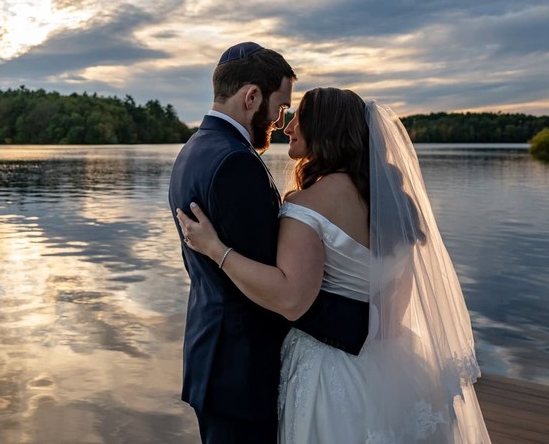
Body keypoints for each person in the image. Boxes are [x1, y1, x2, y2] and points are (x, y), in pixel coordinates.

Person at [177, 87, 491, 443]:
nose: (288, 126)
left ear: (324, 130)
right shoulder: (398, 206)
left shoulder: (306, 205)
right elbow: (395, 308)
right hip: (393, 363)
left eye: (299, 118)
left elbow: (292, 298)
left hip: (327, 373)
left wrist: (216, 249)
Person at [169, 45, 370, 444]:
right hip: (239, 371)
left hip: (218, 360)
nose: (281, 123)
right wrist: (363, 322)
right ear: (251, 97)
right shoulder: (235, 163)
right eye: (281, 108)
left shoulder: (197, 149)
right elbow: (281, 289)